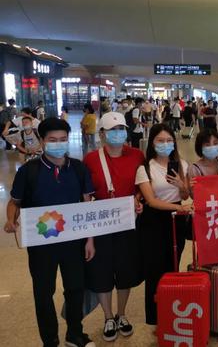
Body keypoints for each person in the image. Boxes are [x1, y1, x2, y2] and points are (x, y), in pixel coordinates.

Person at [4, 118, 96, 347]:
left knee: (75, 288)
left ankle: (75, 334)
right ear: (42, 141)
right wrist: (10, 220)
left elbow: (87, 204)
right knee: (43, 293)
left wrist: (90, 239)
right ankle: (50, 339)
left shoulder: (78, 168)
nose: (58, 144)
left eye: (63, 140)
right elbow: (14, 202)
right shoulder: (29, 171)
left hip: (73, 241)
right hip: (41, 244)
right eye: (52, 140)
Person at [83, 112, 145, 342]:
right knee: (101, 270)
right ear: (102, 134)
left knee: (125, 268)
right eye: (112, 130)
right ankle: (108, 316)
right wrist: (88, 235)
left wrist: (138, 198)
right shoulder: (91, 159)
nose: (118, 134)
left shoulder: (137, 155)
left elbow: (142, 185)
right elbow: (86, 194)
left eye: (121, 129)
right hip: (100, 224)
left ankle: (122, 313)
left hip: (127, 223)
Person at [135, 123, 192, 326]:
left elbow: (185, 195)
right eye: (160, 140)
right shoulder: (145, 169)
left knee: (172, 265)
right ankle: (155, 318)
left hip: (177, 220)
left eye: (169, 140)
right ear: (152, 142)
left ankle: (172, 312)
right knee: (154, 270)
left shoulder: (182, 164)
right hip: (154, 221)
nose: (165, 144)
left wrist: (181, 187)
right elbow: (151, 201)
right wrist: (178, 208)